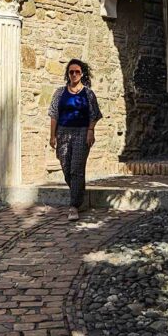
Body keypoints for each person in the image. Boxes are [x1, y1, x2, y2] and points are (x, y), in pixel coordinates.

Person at [48, 58, 102, 220]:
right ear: (68, 74)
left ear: (82, 73)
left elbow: (94, 114)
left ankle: (74, 206)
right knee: (65, 167)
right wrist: (52, 135)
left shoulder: (88, 93)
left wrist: (91, 131)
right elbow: (53, 114)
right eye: (71, 72)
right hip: (63, 132)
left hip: (81, 132)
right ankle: (80, 196)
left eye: (77, 71)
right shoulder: (59, 92)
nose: (74, 74)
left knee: (76, 169)